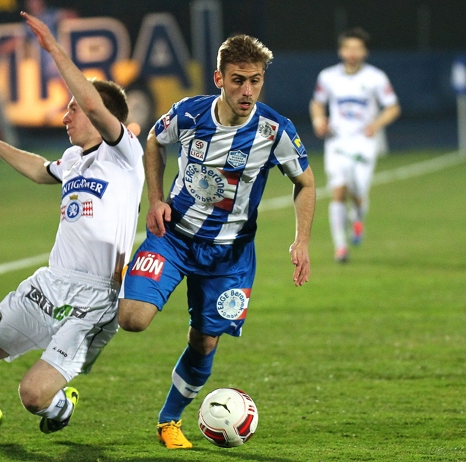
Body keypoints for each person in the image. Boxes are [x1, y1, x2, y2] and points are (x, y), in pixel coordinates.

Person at [0, 11, 144, 441]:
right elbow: (38, 170)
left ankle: (61, 406)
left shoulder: (124, 155)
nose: (66, 116)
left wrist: (54, 50)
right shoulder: (71, 161)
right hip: (47, 285)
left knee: (34, 396)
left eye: (72, 109)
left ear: (100, 114)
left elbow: (90, 103)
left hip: (95, 298)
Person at [118, 34, 316, 449]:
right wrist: (155, 199)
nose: (247, 91)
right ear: (219, 79)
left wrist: (302, 241)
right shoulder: (189, 114)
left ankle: (169, 421)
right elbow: (153, 140)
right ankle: (112, 289)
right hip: (174, 237)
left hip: (231, 255)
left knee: (204, 339)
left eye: (256, 81)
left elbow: (305, 181)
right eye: (238, 80)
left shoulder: (274, 130)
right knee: (132, 319)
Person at [310, 27, 400, 263]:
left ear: (365, 52)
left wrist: (376, 124)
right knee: (338, 190)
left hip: (364, 141)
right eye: (348, 47)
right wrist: (319, 120)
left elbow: (393, 107)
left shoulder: (376, 77)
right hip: (337, 140)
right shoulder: (328, 76)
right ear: (341, 50)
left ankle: (357, 219)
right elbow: (317, 103)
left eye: (357, 48)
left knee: (358, 191)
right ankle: (340, 247)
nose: (352, 52)